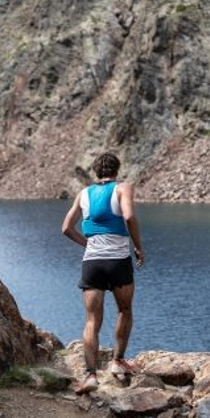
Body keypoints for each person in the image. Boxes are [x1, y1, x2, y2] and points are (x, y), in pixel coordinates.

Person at [61, 152, 145, 394]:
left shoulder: (83, 194)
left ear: (95, 172)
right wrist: (138, 247)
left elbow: (66, 228)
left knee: (91, 320)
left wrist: (87, 244)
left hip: (93, 263)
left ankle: (89, 376)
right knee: (125, 310)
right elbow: (128, 216)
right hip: (118, 261)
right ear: (117, 170)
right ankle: (118, 362)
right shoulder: (123, 188)